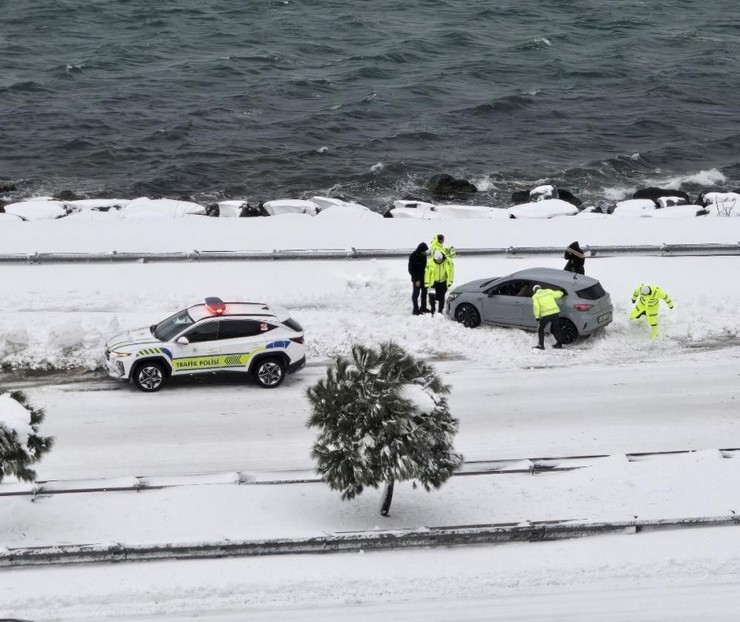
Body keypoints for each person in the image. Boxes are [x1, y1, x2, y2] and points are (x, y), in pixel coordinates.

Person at [531, 284, 564, 349]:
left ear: (534, 291)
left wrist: (537, 316)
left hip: (546, 315)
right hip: (555, 313)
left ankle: (541, 345)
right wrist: (562, 292)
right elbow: (558, 294)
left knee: (540, 329)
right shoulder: (548, 291)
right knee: (556, 328)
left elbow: (536, 306)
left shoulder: (535, 296)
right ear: (540, 288)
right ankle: (559, 344)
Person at [424, 251, 454, 316]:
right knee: (431, 296)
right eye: (437, 260)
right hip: (433, 282)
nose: (439, 261)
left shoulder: (447, 262)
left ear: (442, 258)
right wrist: (426, 283)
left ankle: (440, 311)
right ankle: (433, 309)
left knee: (441, 297)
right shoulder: (430, 262)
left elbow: (450, 272)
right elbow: (427, 273)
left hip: (443, 282)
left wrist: (450, 282)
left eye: (440, 259)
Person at [408, 242, 429, 315]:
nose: (425, 252)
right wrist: (416, 280)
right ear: (420, 250)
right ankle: (415, 310)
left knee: (424, 293)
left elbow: (424, 267)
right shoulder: (413, 256)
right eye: (424, 251)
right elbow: (410, 269)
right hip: (416, 279)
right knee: (416, 294)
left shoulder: (424, 256)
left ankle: (423, 308)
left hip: (423, 278)